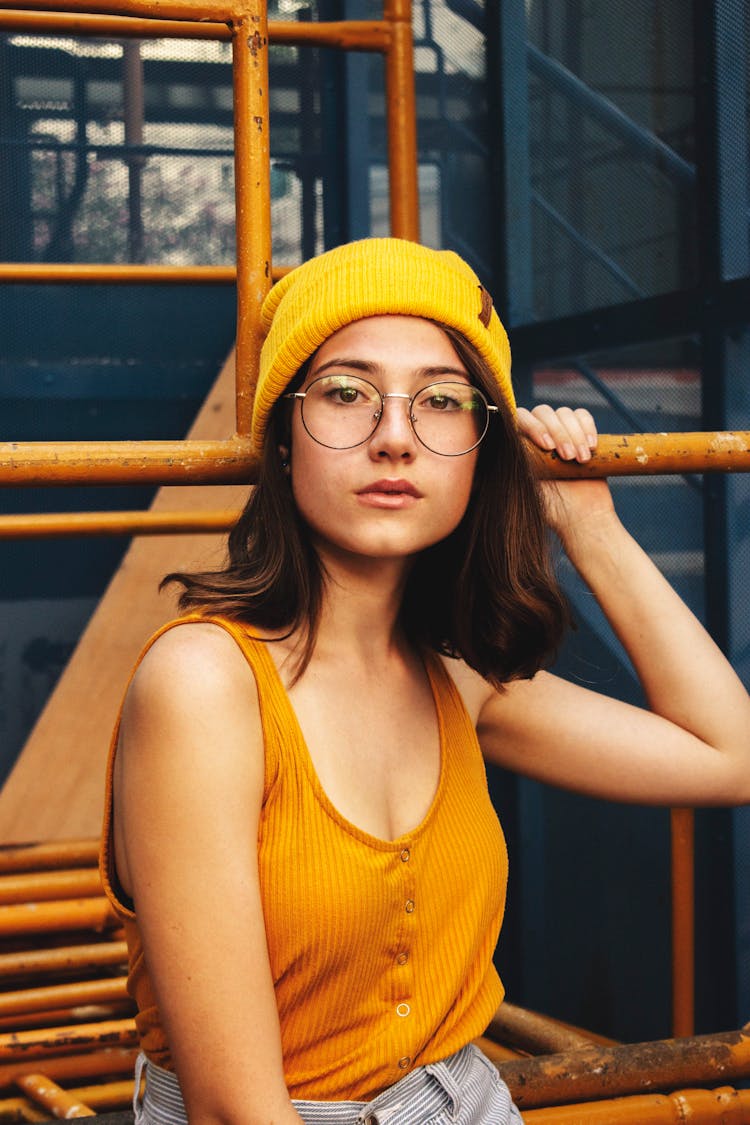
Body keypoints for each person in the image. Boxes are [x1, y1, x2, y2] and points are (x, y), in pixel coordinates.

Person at [100, 237, 750, 1125]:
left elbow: (732, 756)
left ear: (481, 448)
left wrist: (587, 522)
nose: (395, 438)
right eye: (345, 393)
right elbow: (233, 1111)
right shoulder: (205, 683)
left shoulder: (457, 676)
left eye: (441, 402)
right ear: (284, 438)